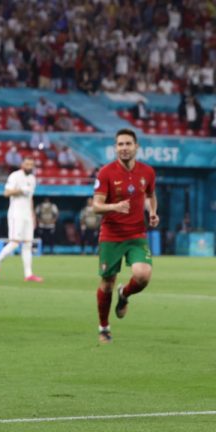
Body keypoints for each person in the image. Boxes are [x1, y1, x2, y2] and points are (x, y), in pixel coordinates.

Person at [92, 129, 158, 344]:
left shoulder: (147, 172)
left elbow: (150, 195)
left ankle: (125, 294)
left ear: (136, 146)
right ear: (115, 148)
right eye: (120, 144)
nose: (124, 148)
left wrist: (153, 212)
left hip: (137, 234)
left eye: (128, 144)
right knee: (107, 283)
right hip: (111, 235)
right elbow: (96, 206)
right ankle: (104, 327)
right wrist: (115, 206)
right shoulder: (106, 173)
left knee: (143, 275)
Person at [0, 156, 43, 282]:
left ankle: (28, 274)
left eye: (31, 164)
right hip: (16, 213)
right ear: (22, 164)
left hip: (27, 214)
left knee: (28, 243)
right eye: (27, 163)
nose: (29, 166)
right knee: (15, 242)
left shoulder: (32, 178)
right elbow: (6, 193)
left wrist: (33, 215)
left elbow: (30, 198)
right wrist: (20, 190)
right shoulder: (15, 176)